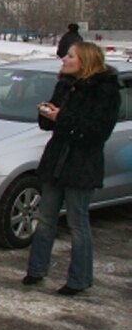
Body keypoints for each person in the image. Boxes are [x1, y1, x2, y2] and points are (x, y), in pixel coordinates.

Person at [23, 42, 120, 295]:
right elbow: (51, 124)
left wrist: (61, 117)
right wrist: (46, 113)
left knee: (78, 223)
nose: (64, 59)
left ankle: (79, 279)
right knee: (45, 218)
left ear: (85, 61)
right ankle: (36, 269)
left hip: (82, 164)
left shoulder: (105, 90)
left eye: (70, 56)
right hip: (56, 160)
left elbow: (98, 131)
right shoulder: (65, 84)